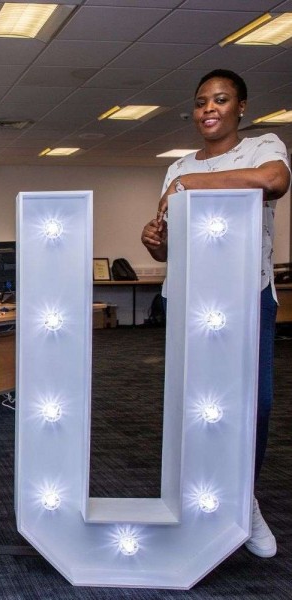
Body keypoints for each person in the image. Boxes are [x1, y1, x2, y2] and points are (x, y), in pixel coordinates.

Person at [141, 69, 290, 558]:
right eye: (201, 100)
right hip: (190, 298)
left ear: (240, 107)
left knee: (256, 403)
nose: (208, 108)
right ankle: (202, 499)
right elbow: (169, 247)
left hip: (247, 294)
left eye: (220, 100)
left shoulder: (262, 146)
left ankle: (243, 498)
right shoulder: (178, 165)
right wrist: (155, 243)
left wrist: (191, 182)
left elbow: (273, 182)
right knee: (198, 405)